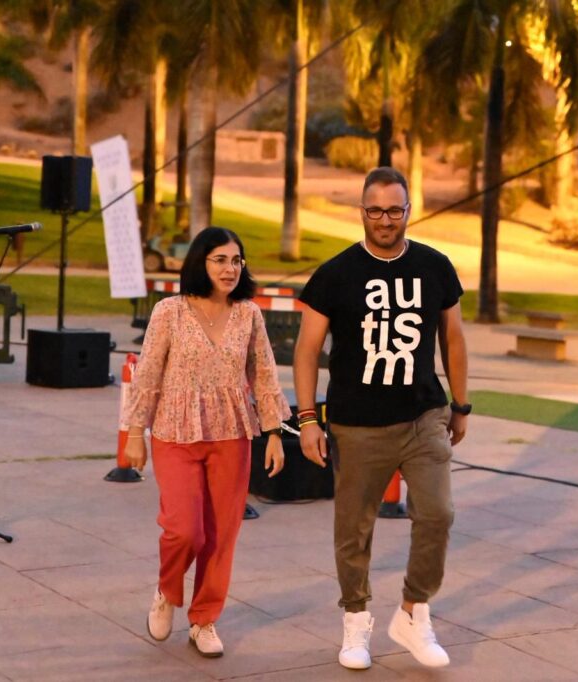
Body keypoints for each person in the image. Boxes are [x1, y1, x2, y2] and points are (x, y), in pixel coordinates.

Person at [293, 167, 470, 670]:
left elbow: (453, 338)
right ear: (362, 212)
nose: (385, 220)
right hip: (356, 424)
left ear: (409, 211)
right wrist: (307, 419)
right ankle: (355, 620)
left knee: (438, 514)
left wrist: (460, 404)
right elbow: (307, 350)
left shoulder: (435, 266)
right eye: (376, 210)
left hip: (423, 416)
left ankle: (414, 611)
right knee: (354, 530)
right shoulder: (335, 274)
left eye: (395, 210)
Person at [123, 226, 291, 658]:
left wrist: (274, 433)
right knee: (184, 530)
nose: (230, 269)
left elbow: (264, 375)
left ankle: (204, 620)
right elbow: (147, 374)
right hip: (174, 431)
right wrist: (135, 433)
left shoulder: (248, 314)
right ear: (200, 262)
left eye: (236, 260)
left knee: (221, 535)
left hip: (232, 434)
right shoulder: (169, 311)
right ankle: (167, 590)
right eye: (220, 260)